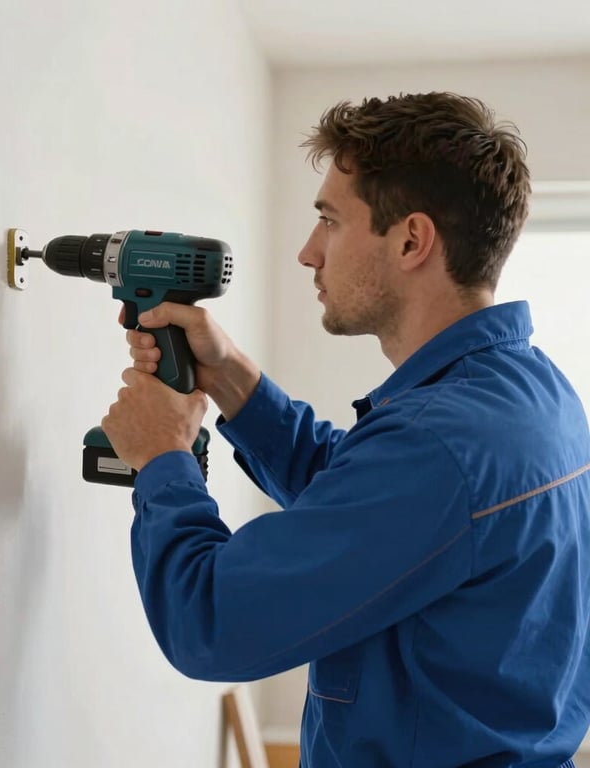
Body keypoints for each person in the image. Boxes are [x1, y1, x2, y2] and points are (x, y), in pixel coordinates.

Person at [101, 92, 590, 768]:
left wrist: (162, 456)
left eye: (329, 220)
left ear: (412, 240)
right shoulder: (533, 391)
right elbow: (371, 503)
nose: (308, 253)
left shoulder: (438, 445)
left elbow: (209, 622)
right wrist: (236, 383)